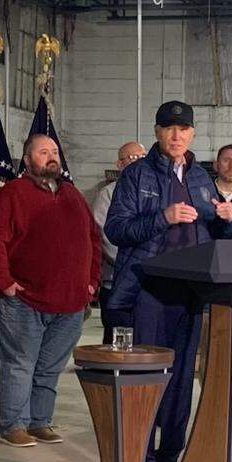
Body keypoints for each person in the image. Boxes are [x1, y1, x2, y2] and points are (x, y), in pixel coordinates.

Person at [104, 101, 232, 462]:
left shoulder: (201, 177)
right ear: (157, 132)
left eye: (183, 129)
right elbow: (117, 229)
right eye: (169, 129)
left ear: (193, 135)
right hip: (147, 292)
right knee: (146, 385)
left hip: (190, 295)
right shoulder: (137, 175)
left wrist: (228, 220)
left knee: (180, 386)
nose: (176, 136)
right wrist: (162, 217)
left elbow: (217, 240)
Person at [0, 135, 101, 448]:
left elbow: (94, 239)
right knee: (20, 365)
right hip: (23, 301)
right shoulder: (12, 194)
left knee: (50, 367)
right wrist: (4, 282)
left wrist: (91, 282)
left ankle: (39, 422)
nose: (51, 156)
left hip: (70, 302)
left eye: (55, 151)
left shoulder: (72, 195)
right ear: (27, 159)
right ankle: (12, 425)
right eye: (43, 151)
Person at [91, 141, 146, 343]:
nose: (139, 162)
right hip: (117, 283)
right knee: (118, 344)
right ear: (119, 164)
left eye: (143, 157)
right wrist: (137, 262)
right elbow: (105, 237)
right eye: (133, 158)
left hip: (148, 285)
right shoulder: (108, 195)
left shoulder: (155, 191)